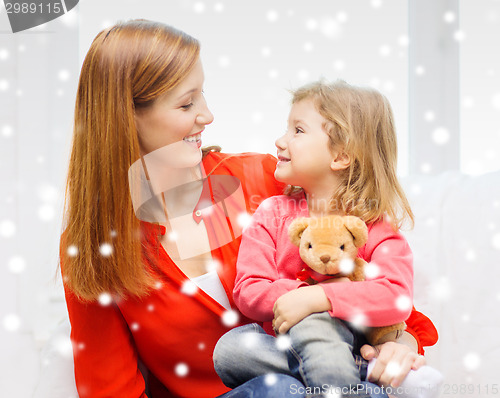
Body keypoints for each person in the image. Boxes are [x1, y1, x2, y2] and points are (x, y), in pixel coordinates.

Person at [60, 19, 436, 398]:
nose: (207, 115)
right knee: (277, 389)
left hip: (322, 381)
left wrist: (400, 345)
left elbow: (382, 292)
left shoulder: (264, 182)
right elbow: (111, 389)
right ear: (126, 117)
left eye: (202, 94)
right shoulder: (94, 249)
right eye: (187, 103)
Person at [213, 81, 441, 397]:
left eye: (298, 131)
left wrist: (322, 300)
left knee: (317, 345)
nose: (280, 141)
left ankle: (338, 378)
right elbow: (249, 290)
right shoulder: (273, 213)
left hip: (348, 344)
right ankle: (356, 377)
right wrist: (302, 295)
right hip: (285, 346)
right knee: (232, 350)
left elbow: (396, 297)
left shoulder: (375, 227)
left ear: (340, 155)